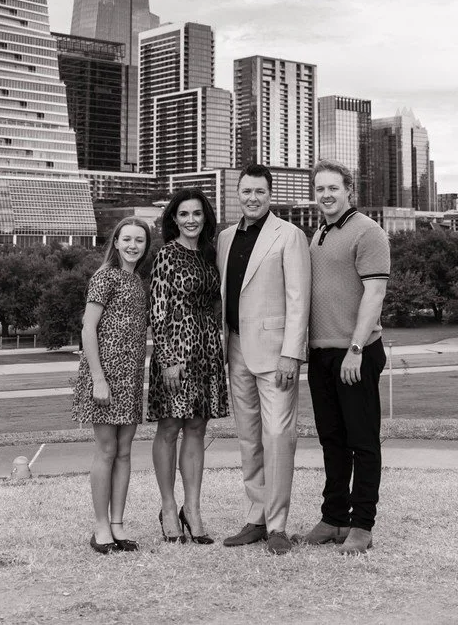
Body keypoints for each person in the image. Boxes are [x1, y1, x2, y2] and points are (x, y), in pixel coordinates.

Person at [216, 163, 310, 555]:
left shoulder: (289, 235)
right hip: (235, 348)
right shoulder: (224, 238)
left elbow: (298, 299)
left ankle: (277, 526)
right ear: (237, 193)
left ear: (270, 195)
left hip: (276, 355)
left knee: (277, 437)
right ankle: (255, 518)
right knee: (249, 438)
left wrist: (292, 353)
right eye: (246, 191)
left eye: (259, 192)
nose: (252, 198)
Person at [302, 160, 390, 554]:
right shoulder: (318, 232)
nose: (326, 195)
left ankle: (362, 525)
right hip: (321, 354)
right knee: (332, 441)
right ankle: (334, 517)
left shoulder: (368, 231)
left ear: (349, 190)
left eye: (333, 188)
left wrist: (355, 349)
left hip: (356, 353)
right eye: (320, 188)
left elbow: (375, 294)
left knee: (363, 442)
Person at [148, 188, 228, 544]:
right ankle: (168, 507)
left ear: (205, 217)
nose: (191, 220)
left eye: (197, 213)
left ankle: (192, 509)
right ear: (174, 219)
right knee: (169, 428)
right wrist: (167, 359)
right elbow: (158, 310)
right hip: (176, 354)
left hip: (207, 351)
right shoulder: (166, 254)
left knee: (197, 427)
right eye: (183, 214)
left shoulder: (210, 254)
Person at [72, 217, 154, 554]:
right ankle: (101, 527)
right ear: (116, 242)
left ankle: (118, 524)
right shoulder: (105, 277)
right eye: (127, 239)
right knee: (106, 451)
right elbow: (87, 328)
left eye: (140, 240)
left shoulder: (137, 282)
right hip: (104, 376)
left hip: (130, 378)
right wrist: (99, 379)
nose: (133, 246)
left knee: (124, 451)